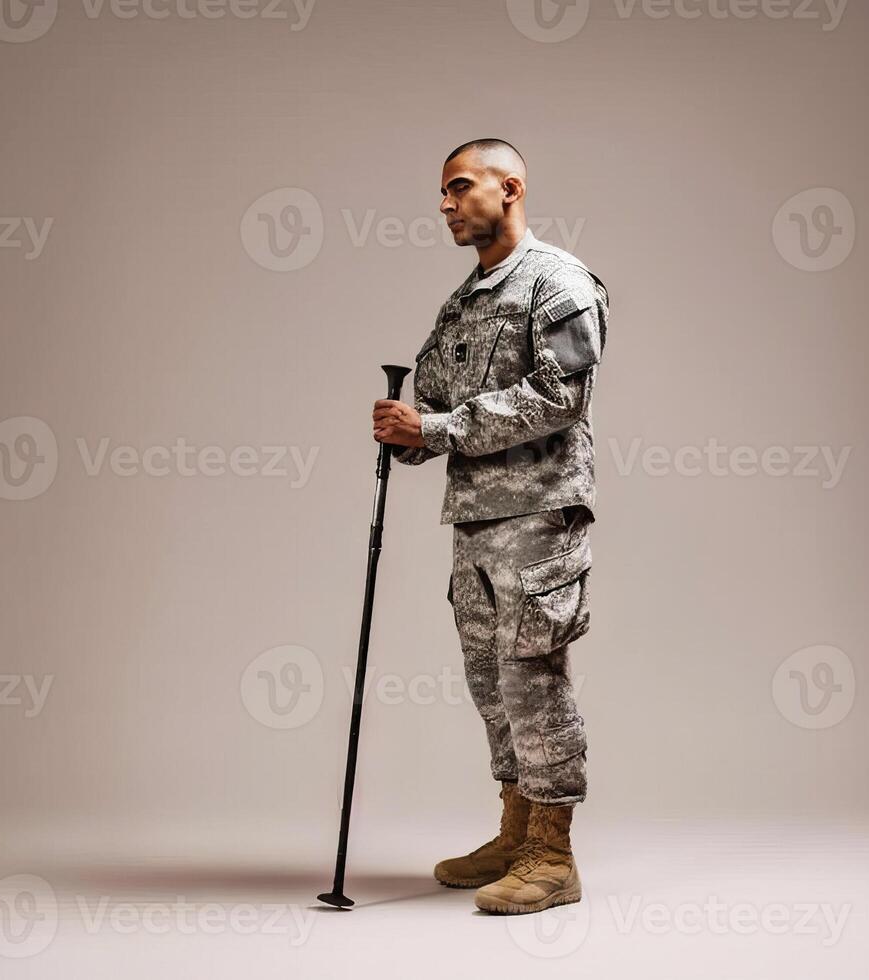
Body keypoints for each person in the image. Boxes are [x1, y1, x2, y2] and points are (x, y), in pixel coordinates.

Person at [371, 138, 608, 915]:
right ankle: (514, 830)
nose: (444, 203)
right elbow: (431, 397)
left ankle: (552, 853)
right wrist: (404, 429)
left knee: (533, 679)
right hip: (475, 520)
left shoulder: (558, 282)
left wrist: (435, 431)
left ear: (510, 189)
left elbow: (557, 397)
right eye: (442, 191)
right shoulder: (465, 302)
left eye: (458, 187)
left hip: (539, 514)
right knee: (491, 684)